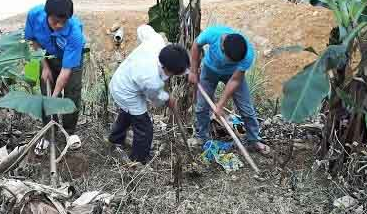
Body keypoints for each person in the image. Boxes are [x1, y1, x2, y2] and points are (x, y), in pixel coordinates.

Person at [108, 25, 190, 166]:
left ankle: (115, 139)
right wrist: (168, 99)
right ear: (168, 70)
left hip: (125, 77)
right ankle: (138, 160)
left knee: (128, 113)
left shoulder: (157, 41)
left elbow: (142, 29)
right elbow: (156, 101)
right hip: (126, 91)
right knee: (144, 128)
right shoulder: (152, 79)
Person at [188, 25, 270, 155]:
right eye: (230, 60)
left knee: (247, 109)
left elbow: (235, 80)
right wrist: (193, 71)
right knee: (201, 107)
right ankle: (202, 137)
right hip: (209, 71)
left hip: (233, 75)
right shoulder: (212, 34)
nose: (229, 62)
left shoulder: (247, 54)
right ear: (222, 48)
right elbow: (196, 46)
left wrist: (220, 105)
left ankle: (254, 140)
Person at [24, 0, 86, 133]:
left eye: (63, 22)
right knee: (46, 90)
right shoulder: (34, 15)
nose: (59, 25)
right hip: (47, 55)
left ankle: (68, 132)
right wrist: (45, 66)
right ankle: (50, 130)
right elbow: (34, 40)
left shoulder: (74, 33)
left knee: (72, 93)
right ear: (47, 14)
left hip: (71, 60)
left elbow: (66, 71)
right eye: (55, 21)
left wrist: (55, 97)